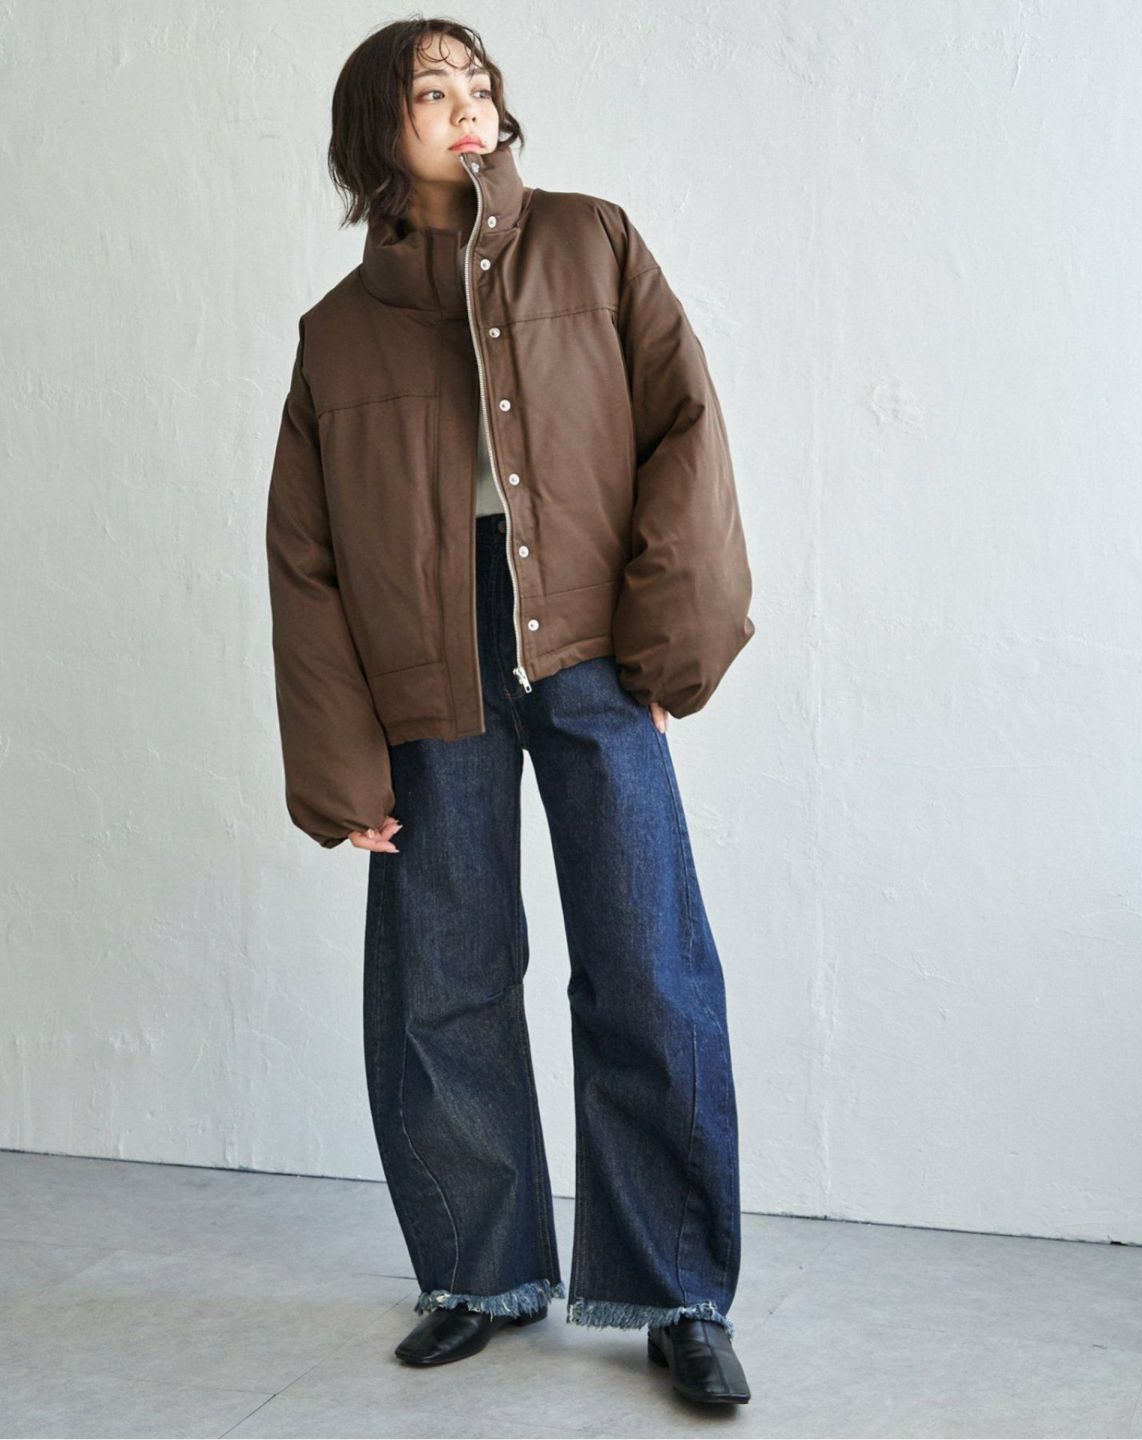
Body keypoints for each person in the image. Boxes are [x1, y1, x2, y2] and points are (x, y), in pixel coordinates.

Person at [264, 16, 756, 1407]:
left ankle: (675, 1293)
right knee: (444, 974)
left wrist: (668, 644)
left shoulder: (592, 242)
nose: (465, 104)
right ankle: (478, 1272)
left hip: (590, 637)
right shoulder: (335, 333)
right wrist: (340, 764)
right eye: (432, 89)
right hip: (427, 655)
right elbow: (304, 555)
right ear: (379, 127)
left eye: (476, 82)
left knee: (647, 958)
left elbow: (686, 426)